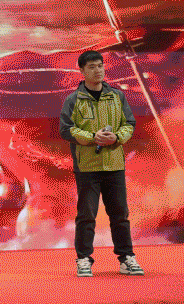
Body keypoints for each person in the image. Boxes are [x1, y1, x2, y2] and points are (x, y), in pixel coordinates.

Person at [59, 51, 144, 277]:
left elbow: (129, 123)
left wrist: (117, 137)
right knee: (86, 216)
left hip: (114, 165)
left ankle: (126, 258)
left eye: (100, 66)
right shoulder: (73, 100)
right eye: (92, 67)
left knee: (120, 215)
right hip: (87, 167)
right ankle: (83, 259)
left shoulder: (117, 96)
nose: (98, 71)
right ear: (82, 71)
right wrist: (91, 137)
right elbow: (66, 130)